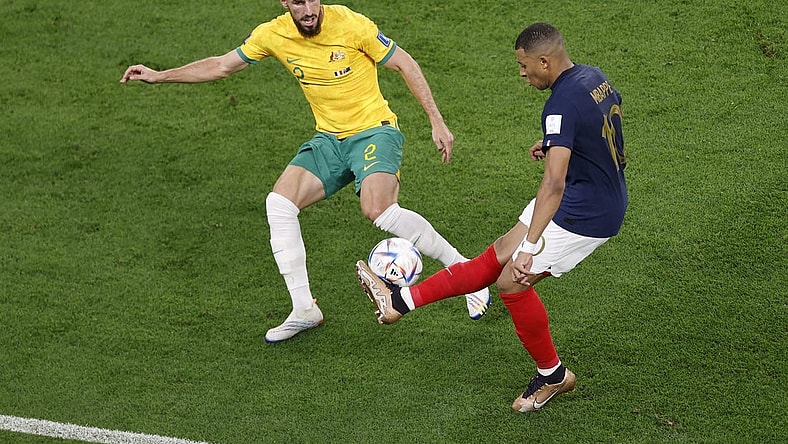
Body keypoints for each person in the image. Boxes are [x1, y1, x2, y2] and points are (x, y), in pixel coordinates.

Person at [120, 0, 491, 343]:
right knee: (279, 203)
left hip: (374, 131)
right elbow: (221, 65)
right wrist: (159, 75)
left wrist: (436, 121)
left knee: (378, 209)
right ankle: (304, 308)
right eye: (299, 1)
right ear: (285, 3)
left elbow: (404, 63)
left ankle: (466, 273)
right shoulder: (273, 34)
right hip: (329, 139)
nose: (309, 8)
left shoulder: (351, 24)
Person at [356, 22, 628, 412]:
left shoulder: (560, 105)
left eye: (524, 66)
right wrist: (557, 144)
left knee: (512, 281)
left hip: (586, 213)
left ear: (545, 62)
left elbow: (552, 185)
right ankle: (399, 300)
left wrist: (530, 249)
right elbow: (602, 126)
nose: (522, 73)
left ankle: (553, 376)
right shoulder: (593, 76)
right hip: (589, 190)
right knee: (501, 250)